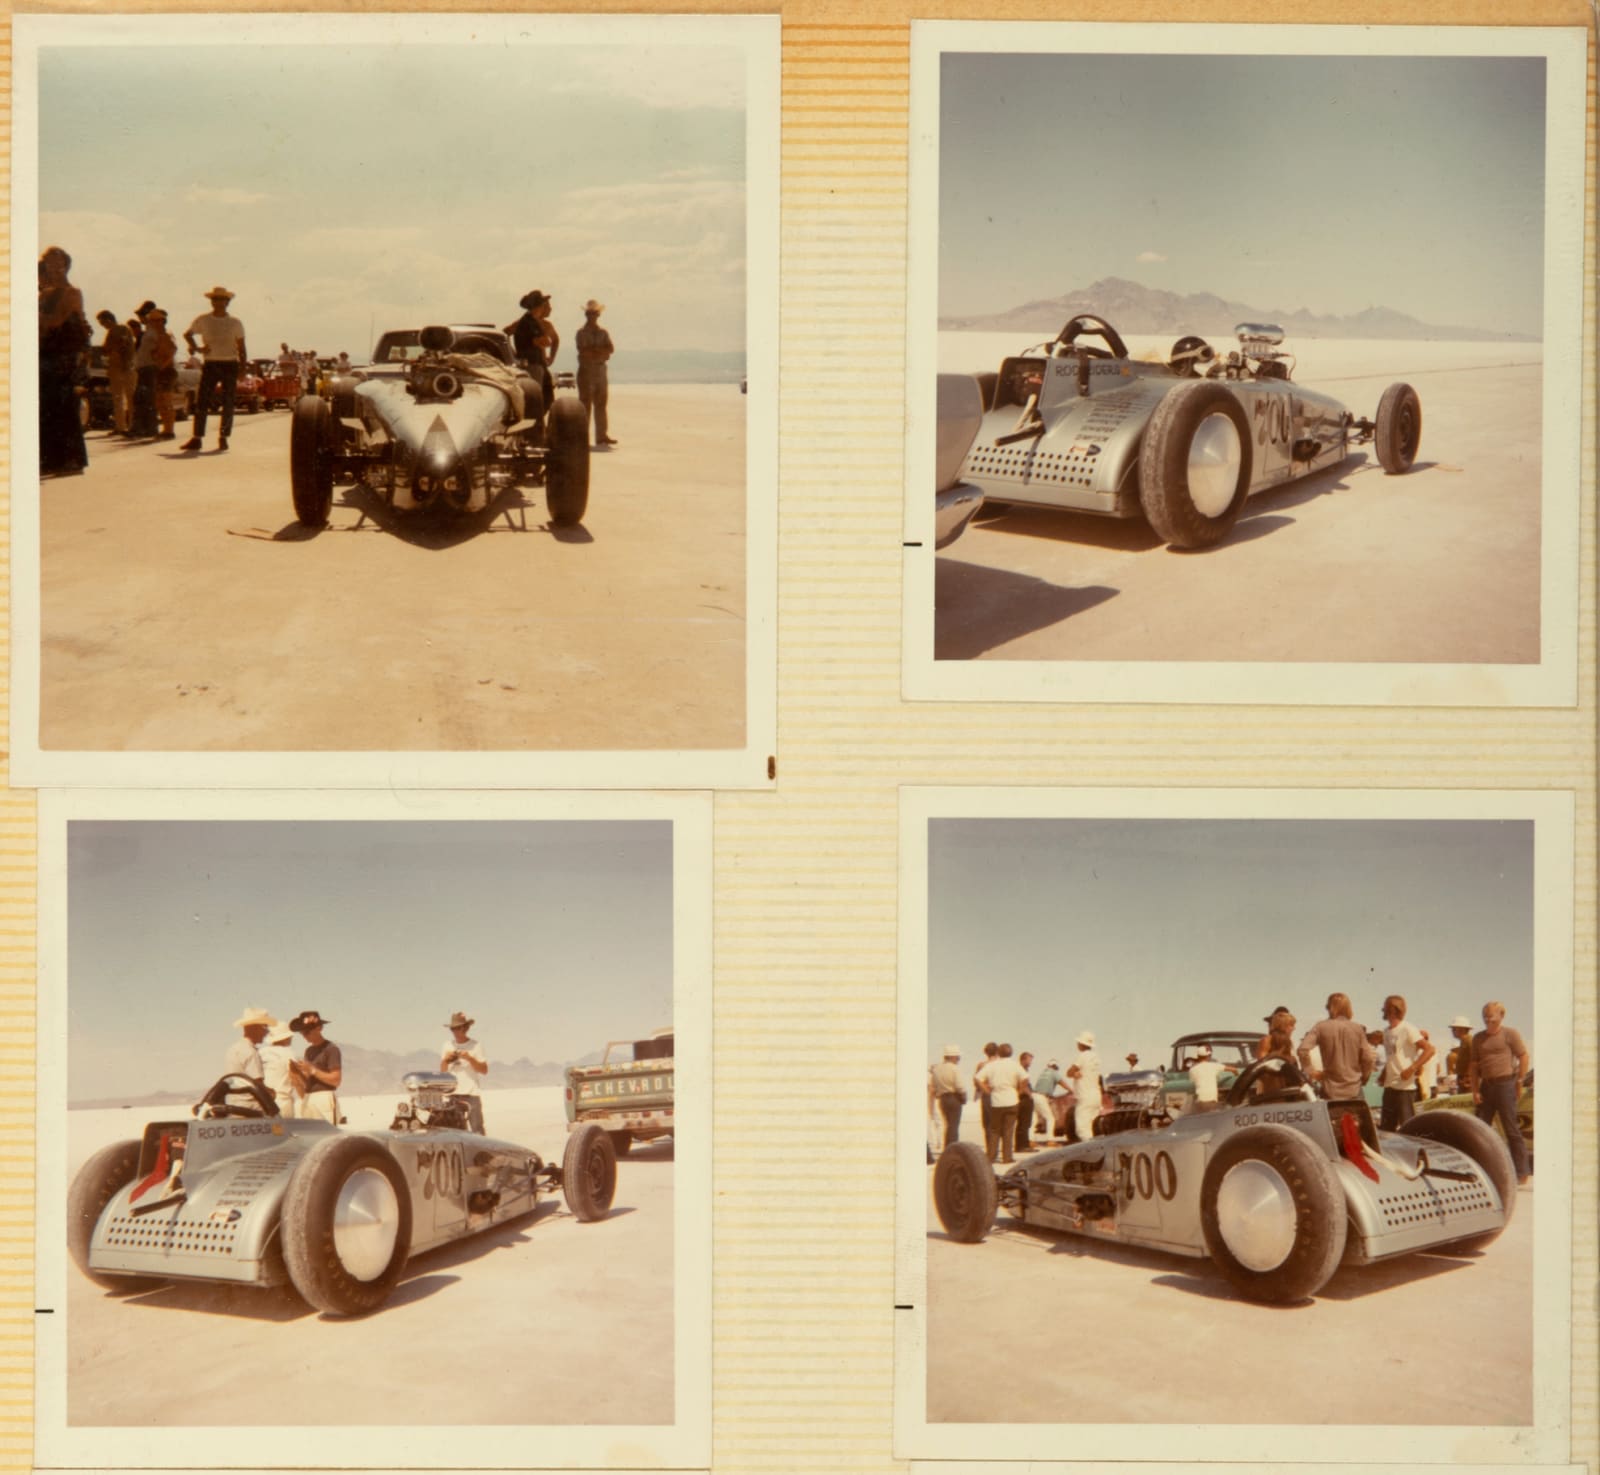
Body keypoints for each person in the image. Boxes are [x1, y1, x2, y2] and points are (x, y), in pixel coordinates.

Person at [38, 246, 90, 476]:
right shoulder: (43, 294)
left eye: (57, 262)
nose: (53, 267)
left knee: (64, 404)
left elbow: (55, 321)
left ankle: (72, 458)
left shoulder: (71, 292)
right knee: (47, 405)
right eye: (48, 262)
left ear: (66, 265)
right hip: (47, 350)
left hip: (65, 352)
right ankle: (51, 458)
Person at [1467, 1001, 1531, 1184]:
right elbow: (1473, 1065)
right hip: (1486, 1086)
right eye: (1485, 1015)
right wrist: (1475, 1089)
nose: (1488, 1019)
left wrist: (1519, 1080)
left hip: (1505, 1085)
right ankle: (1481, 1170)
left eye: (1491, 1016)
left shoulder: (1510, 1034)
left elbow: (1523, 1056)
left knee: (1511, 1129)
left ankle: (1521, 1171)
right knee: (1480, 1129)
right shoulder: (1478, 1038)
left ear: (1501, 1016)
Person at [182, 286, 248, 452]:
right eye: (215, 299)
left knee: (228, 402)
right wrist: (197, 348)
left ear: (227, 302)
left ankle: (223, 437)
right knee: (202, 401)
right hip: (211, 363)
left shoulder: (235, 322)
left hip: (230, 364)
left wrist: (242, 369)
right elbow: (188, 334)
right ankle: (197, 438)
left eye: (221, 299)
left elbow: (241, 347)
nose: (218, 302)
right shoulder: (203, 320)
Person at [1296, 992, 1376, 1101]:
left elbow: (1302, 1050)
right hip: (1354, 1089)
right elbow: (1368, 1058)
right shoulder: (1357, 1028)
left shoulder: (1321, 1027)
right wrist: (1364, 1078)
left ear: (1329, 1007)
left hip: (1330, 1090)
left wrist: (1312, 1072)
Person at [1376, 994, 1434, 1130]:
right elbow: (1393, 1056)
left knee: (1408, 1127)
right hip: (1390, 1086)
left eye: (1385, 1008)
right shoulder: (1386, 1032)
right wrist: (1384, 1074)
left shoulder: (1408, 1028)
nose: (1382, 1010)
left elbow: (1430, 1050)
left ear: (1392, 1009)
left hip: (1405, 1088)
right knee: (1386, 1127)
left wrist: (1412, 1068)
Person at [975, 1043, 1028, 1164]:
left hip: (997, 1100)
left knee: (995, 1130)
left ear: (999, 1053)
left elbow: (978, 1078)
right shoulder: (1015, 1065)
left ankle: (991, 1156)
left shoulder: (993, 1065)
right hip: (1011, 1099)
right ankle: (1007, 1157)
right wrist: (1019, 1091)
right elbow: (1025, 1078)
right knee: (1008, 1130)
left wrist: (986, 1090)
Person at [575, 299, 617, 447]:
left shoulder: (603, 332)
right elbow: (584, 351)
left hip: (600, 369)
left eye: (594, 313)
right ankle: (582, 437)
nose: (592, 316)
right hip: (587, 370)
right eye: (590, 313)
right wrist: (600, 351)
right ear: (586, 315)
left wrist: (597, 351)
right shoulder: (581, 333)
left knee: (601, 403)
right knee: (585, 404)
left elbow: (611, 349)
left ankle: (601, 435)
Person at [289, 1010, 341, 1125]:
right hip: (309, 1099)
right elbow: (308, 1084)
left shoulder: (331, 1049)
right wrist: (297, 1075)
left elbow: (336, 1080)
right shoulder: (309, 1051)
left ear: (319, 1028)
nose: (304, 1036)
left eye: (307, 1032)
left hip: (324, 1098)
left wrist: (312, 1070)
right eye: (302, 1032)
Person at [440, 1010, 487, 1134]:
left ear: (465, 1028)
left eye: (458, 1028)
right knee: (454, 1131)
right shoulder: (447, 1045)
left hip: (471, 1094)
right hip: (453, 1095)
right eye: (453, 1029)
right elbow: (443, 1072)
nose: (455, 1032)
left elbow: (484, 1070)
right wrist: (446, 1060)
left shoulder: (476, 1045)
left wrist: (470, 1058)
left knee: (478, 1130)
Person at [223, 1006, 271, 1111]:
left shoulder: (232, 1049)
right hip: (251, 1108)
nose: (267, 1032)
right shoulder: (251, 1052)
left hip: (233, 1105)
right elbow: (258, 1085)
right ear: (255, 1028)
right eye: (265, 1028)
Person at [97, 310, 136, 435]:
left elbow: (121, 345)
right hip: (116, 368)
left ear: (108, 319)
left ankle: (131, 426)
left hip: (125, 367)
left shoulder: (121, 329)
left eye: (103, 322)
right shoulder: (112, 331)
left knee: (129, 398)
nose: (102, 325)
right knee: (118, 398)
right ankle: (120, 426)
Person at [144, 308, 180, 441]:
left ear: (161, 321)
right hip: (161, 370)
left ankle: (169, 430)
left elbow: (172, 351)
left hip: (167, 371)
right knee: (160, 401)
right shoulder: (158, 336)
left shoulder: (166, 335)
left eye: (153, 321)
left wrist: (162, 365)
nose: (151, 323)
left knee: (165, 401)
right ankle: (166, 429)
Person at [259, 1016, 301, 1118]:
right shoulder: (289, 1054)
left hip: (263, 1102)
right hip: (283, 1102)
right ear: (286, 1037)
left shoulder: (261, 1052)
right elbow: (296, 1079)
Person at [1066, 1030, 1102, 1141]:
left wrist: (1075, 1074)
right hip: (1096, 1096)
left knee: (1082, 1130)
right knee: (1094, 1127)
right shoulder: (1095, 1057)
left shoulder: (1082, 1056)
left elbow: (1069, 1072)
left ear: (1081, 1044)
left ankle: (1090, 1153)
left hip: (1085, 1096)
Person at [929, 1045, 966, 1151]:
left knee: (948, 1125)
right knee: (954, 1126)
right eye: (958, 1057)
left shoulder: (936, 1069)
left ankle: (948, 1148)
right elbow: (960, 1087)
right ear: (953, 1057)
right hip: (954, 1097)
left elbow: (934, 1087)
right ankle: (953, 1149)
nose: (959, 1059)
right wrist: (964, 1097)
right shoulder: (954, 1068)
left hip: (942, 1099)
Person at [1031, 1056, 1066, 1143]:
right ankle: (1050, 1140)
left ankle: (1030, 1140)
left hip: (1034, 1096)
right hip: (1041, 1097)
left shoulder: (1043, 1073)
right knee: (1050, 1118)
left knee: (1034, 1119)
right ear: (1055, 1066)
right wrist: (1071, 1090)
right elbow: (1062, 1083)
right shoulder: (1054, 1072)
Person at [1188, 1046, 1225, 1112]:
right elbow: (1232, 1069)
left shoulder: (1192, 1069)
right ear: (1208, 1056)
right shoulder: (1214, 1066)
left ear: (1197, 1056)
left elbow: (1192, 1082)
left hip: (1200, 1101)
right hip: (1212, 1100)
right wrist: (1236, 1073)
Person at [1014, 1050, 1037, 1153]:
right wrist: (1029, 1094)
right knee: (1024, 1123)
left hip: (1023, 1098)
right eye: (1029, 1060)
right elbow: (1022, 1085)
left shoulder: (1022, 1070)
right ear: (1023, 1059)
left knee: (1025, 1123)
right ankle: (1022, 1146)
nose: (1031, 1063)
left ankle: (1023, 1144)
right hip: (1024, 1099)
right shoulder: (1021, 1070)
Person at [1447, 1014, 1475, 1090]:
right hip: (1463, 1077)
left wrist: (1468, 1076)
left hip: (1467, 1079)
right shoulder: (1464, 1041)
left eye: (1454, 1029)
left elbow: (1475, 1058)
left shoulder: (1469, 1040)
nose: (1452, 1031)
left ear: (1461, 1029)